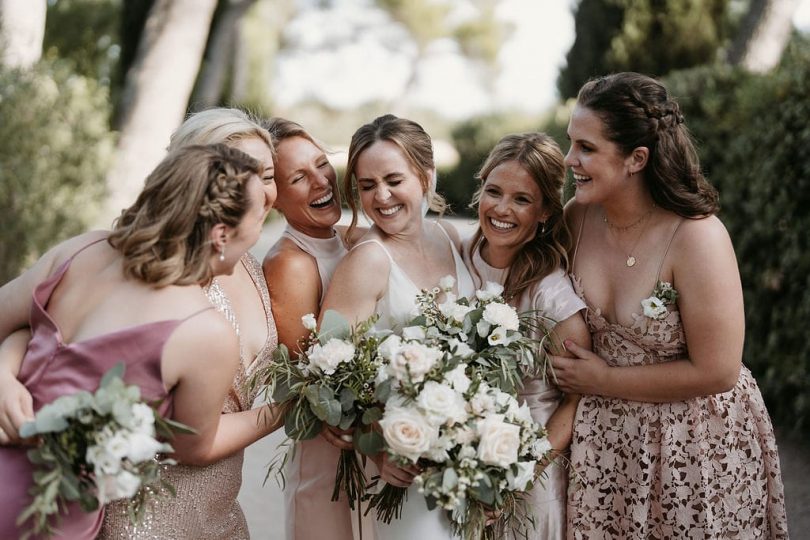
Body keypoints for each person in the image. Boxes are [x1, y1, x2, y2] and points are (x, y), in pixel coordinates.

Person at [551, 72, 788, 538]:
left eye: (586, 148)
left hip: (693, 446)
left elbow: (718, 370)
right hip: (606, 445)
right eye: (570, 143)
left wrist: (605, 379)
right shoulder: (577, 217)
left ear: (636, 158)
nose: (569, 159)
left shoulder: (697, 237)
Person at [0, 144, 272, 539]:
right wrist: (283, 411)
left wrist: (5, 370)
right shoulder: (205, 331)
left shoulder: (80, 251)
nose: (260, 231)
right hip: (49, 514)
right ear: (221, 234)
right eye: (258, 217)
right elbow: (194, 446)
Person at [99, 107, 283, 539]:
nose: (259, 189)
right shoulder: (156, 271)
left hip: (221, 510)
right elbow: (193, 443)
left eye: (268, 174)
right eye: (241, 175)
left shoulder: (253, 266)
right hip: (147, 513)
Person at [320, 114, 474, 540]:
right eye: (367, 186)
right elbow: (329, 373)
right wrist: (379, 447)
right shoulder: (368, 260)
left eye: (393, 180)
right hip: (403, 470)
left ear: (426, 177)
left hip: (465, 459)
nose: (381, 197)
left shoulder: (450, 237)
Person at [463, 132, 590, 539]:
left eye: (521, 199)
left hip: (528, 481)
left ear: (545, 213)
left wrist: (516, 474)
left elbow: (577, 400)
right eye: (493, 191)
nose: (502, 209)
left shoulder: (552, 296)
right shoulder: (456, 261)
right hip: (456, 469)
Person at [261, 117, 362, 540]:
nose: (322, 181)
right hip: (331, 456)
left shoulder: (348, 238)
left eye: (322, 164)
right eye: (299, 178)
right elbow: (307, 384)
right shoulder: (291, 263)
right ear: (275, 198)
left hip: (369, 448)